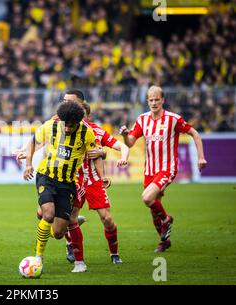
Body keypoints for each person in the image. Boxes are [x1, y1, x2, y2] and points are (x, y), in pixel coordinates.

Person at [119, 85, 207, 252]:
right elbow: (130, 142)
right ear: (147, 101)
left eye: (156, 99)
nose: (153, 103)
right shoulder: (142, 119)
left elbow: (194, 133)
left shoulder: (173, 119)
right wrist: (124, 134)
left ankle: (166, 220)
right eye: (151, 100)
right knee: (153, 208)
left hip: (167, 168)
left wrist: (201, 156)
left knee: (146, 198)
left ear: (163, 100)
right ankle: (164, 241)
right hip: (149, 170)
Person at [23, 100, 97, 273]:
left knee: (57, 233)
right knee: (48, 214)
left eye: (72, 126)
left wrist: (102, 168)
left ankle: (53, 220)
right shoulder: (50, 126)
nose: (68, 129)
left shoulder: (87, 133)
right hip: (46, 176)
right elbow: (33, 142)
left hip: (67, 184)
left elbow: (96, 153)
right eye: (66, 125)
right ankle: (38, 258)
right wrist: (28, 164)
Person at [62, 92, 129, 267]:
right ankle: (74, 252)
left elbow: (120, 145)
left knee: (107, 219)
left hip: (92, 180)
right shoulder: (64, 128)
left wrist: (113, 155)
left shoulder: (95, 131)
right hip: (74, 180)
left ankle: (114, 253)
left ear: (87, 114)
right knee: (68, 219)